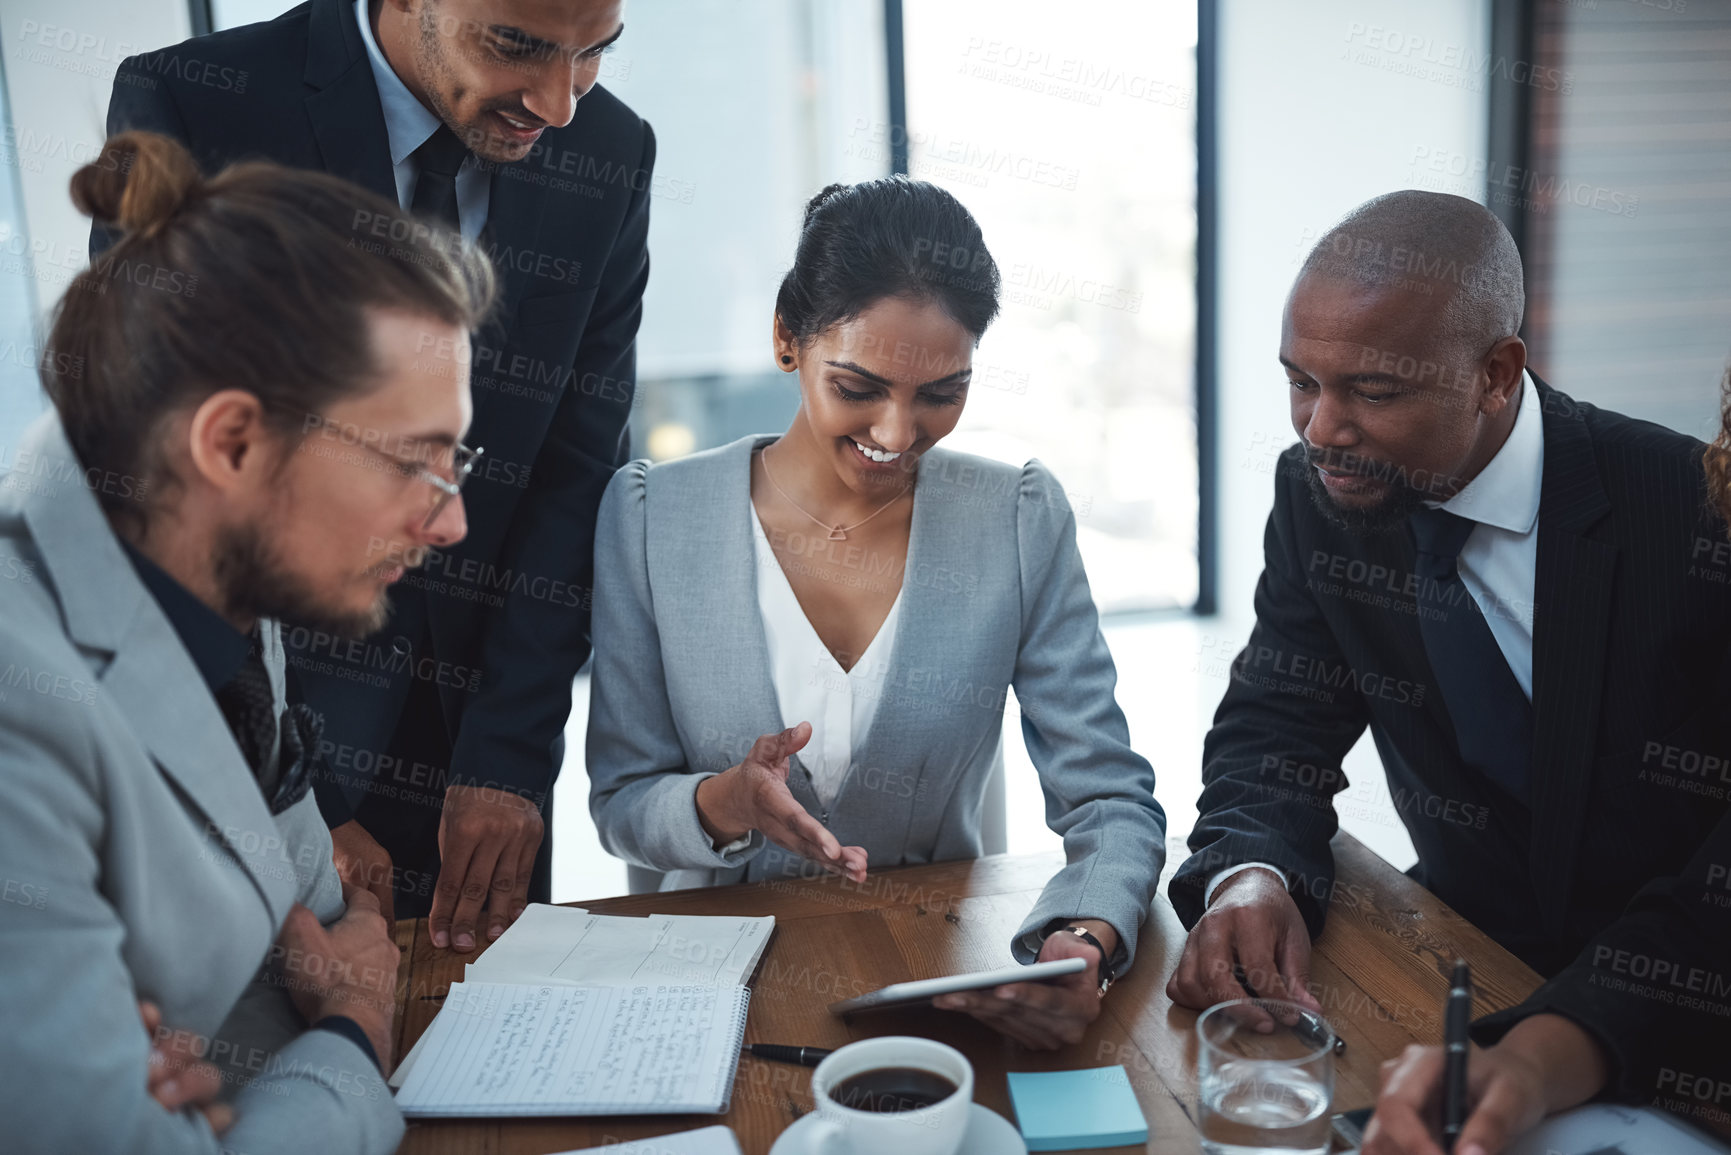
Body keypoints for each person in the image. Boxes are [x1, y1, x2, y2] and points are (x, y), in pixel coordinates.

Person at [1164, 190, 1731, 1152]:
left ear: (1495, 374)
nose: (1318, 427)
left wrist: (1560, 1040)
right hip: (1449, 963)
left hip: (1671, 1015)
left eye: (1371, 392)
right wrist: (1249, 876)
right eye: (1300, 380)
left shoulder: (1691, 509)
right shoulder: (1316, 490)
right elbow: (1276, 720)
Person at [99, 0, 655, 953]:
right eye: (517, 46)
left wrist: (512, 762)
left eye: (595, 53)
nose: (560, 103)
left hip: (485, 751)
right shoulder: (194, 104)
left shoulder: (609, 149)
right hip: (265, 735)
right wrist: (286, 781)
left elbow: (574, 472)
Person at [585, 178, 1167, 1050]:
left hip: (944, 985)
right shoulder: (648, 516)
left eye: (942, 391)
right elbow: (622, 799)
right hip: (709, 999)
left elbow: (1112, 798)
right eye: (859, 385)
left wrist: (1085, 940)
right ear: (787, 336)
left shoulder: (1015, 517)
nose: (897, 432)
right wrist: (726, 801)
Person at [0, 130, 494, 1151]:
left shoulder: (208, 559)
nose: (450, 524)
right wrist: (352, 1034)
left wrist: (225, 1072)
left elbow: (310, 920)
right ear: (230, 442)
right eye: (417, 464)